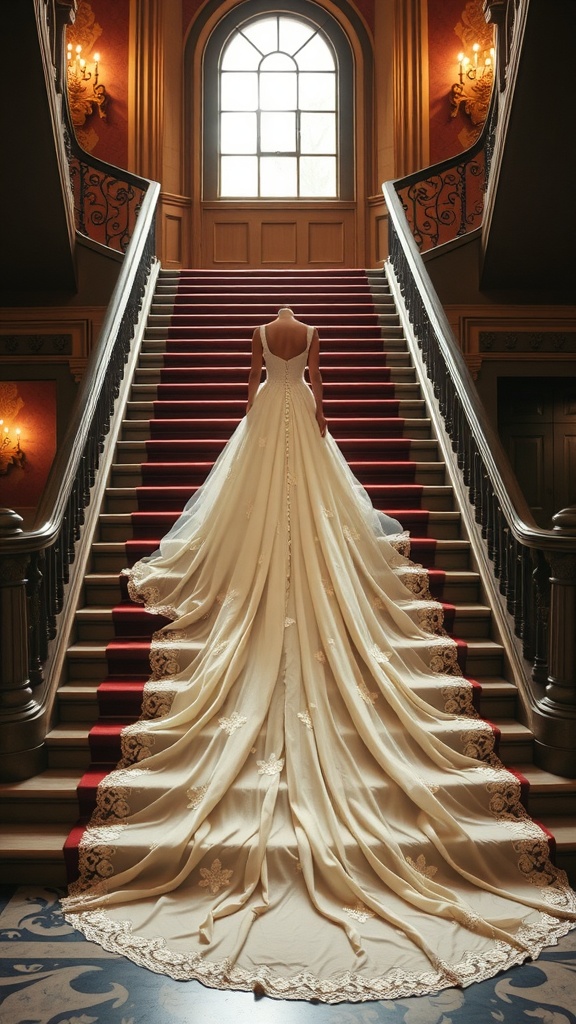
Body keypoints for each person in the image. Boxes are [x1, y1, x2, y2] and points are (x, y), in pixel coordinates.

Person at [62, 308, 576, 1003]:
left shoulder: (260, 333)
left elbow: (250, 388)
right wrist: (317, 420)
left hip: (270, 412)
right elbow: (323, 391)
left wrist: (252, 422)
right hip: (297, 410)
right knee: (310, 509)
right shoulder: (308, 334)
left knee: (255, 513)